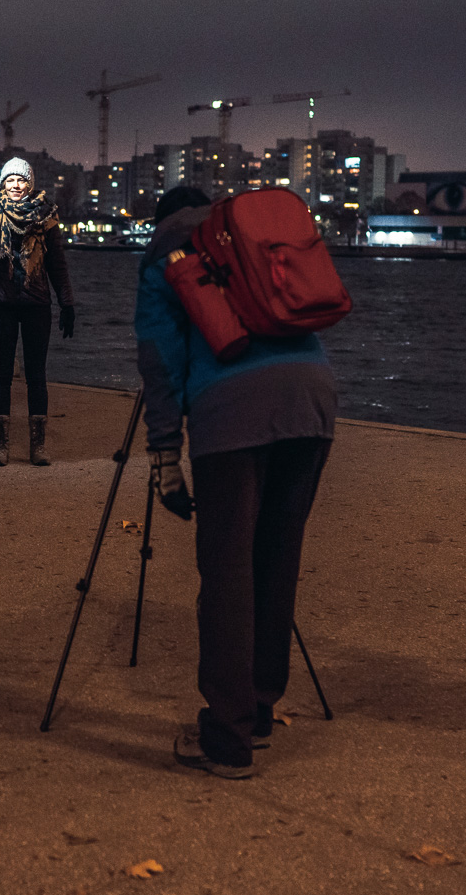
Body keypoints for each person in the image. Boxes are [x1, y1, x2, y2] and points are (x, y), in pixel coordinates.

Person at [134, 186, 338, 779]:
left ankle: (226, 740)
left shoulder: (165, 247)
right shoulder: (251, 231)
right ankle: (258, 713)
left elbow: (159, 357)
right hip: (313, 398)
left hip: (233, 411)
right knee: (276, 560)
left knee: (227, 573)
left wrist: (165, 456)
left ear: (160, 218)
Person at [0, 124, 74, 466]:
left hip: (38, 306)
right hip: (2, 305)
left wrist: (67, 302)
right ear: (2, 184)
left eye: (22, 180)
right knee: (2, 375)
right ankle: (1, 447)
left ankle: (38, 447)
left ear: (30, 184)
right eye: (10, 179)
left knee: (37, 374)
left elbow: (58, 264)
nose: (16, 185)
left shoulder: (47, 215)